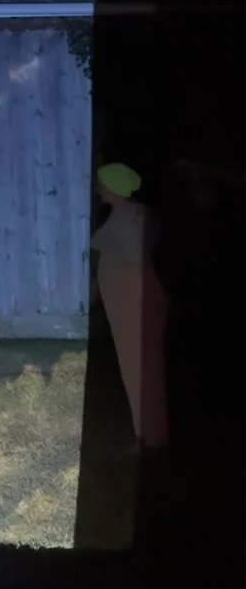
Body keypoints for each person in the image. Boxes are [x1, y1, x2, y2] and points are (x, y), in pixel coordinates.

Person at [91, 162, 169, 448]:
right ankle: (149, 433)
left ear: (115, 187)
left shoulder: (128, 219)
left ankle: (148, 436)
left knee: (140, 369)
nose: (99, 188)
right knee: (141, 368)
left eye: (103, 183)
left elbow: (128, 258)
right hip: (133, 301)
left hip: (134, 303)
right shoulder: (130, 214)